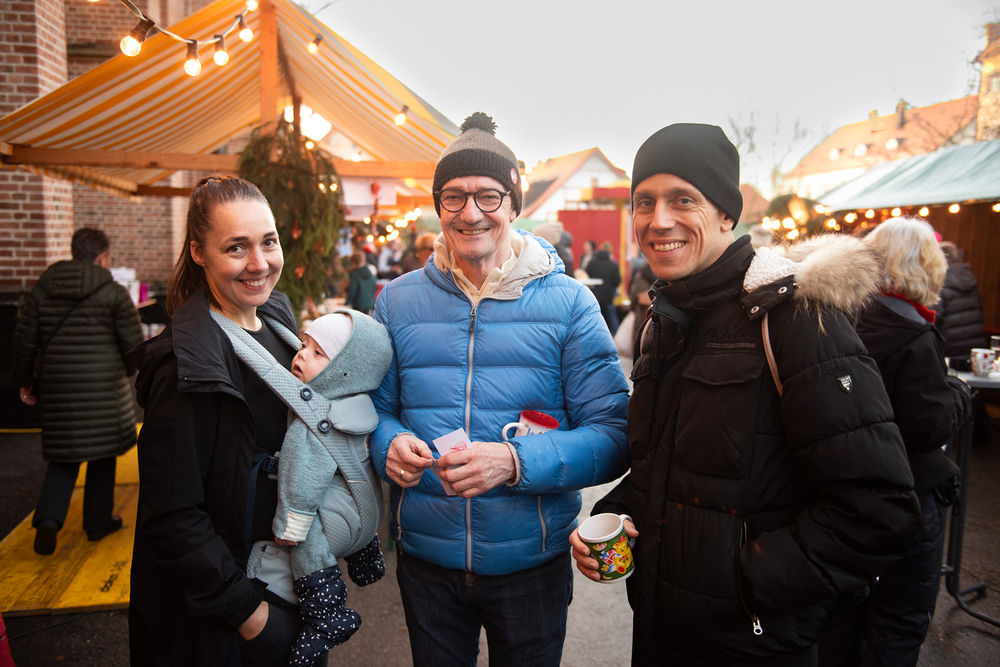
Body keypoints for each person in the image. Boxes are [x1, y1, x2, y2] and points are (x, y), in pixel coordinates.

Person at [569, 123, 920, 666]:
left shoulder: (795, 320)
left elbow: (879, 509)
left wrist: (741, 584)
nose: (658, 220)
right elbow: (673, 466)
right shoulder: (664, 321)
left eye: (683, 199)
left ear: (726, 214)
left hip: (754, 645)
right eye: (645, 202)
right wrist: (620, 512)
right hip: (660, 632)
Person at [369, 112, 630, 667]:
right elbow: (375, 411)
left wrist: (513, 461)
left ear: (513, 205)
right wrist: (387, 443)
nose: (470, 213)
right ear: (438, 206)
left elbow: (614, 435)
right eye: (453, 197)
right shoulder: (396, 301)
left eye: (488, 196)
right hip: (427, 561)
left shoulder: (570, 304)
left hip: (531, 565)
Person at [128, 176, 305, 667]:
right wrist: (248, 614)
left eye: (268, 242)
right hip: (230, 611)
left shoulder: (276, 319)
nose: (259, 263)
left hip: (288, 579)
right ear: (198, 253)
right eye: (236, 247)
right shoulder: (185, 362)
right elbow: (172, 515)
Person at [818, 218, 971, 667]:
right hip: (906, 494)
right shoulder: (914, 333)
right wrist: (959, 392)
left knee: (842, 612)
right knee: (899, 618)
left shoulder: (836, 320)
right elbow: (930, 428)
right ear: (929, 267)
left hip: (842, 488)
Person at [264, 311, 391, 666]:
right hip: (367, 519)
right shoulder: (357, 402)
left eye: (318, 353)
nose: (301, 356)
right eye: (304, 345)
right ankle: (367, 560)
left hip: (332, 531)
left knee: (306, 542)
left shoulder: (312, 423)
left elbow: (301, 480)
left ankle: (327, 613)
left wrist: (290, 525)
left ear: (346, 369)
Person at [12, 227, 143, 555]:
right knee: (103, 456)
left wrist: (26, 380)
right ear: (101, 257)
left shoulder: (42, 289)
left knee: (63, 457)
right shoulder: (113, 292)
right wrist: (127, 373)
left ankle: (47, 521)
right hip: (105, 389)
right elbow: (133, 347)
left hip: (58, 388)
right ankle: (98, 523)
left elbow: (24, 342)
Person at [932, 241, 988, 358]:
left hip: (949, 351)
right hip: (973, 350)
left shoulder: (941, 284)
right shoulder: (968, 281)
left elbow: (934, 320)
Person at [583, 241, 622, 334]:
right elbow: (618, 281)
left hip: (594, 296)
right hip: (608, 297)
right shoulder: (613, 264)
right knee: (612, 318)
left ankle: (593, 335)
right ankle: (616, 335)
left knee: (593, 318)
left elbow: (585, 277)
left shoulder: (592, 263)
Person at [344, 250, 376, 314]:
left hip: (358, 303)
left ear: (353, 262)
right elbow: (374, 286)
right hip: (369, 303)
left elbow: (352, 290)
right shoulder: (370, 271)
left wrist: (347, 303)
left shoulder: (355, 274)